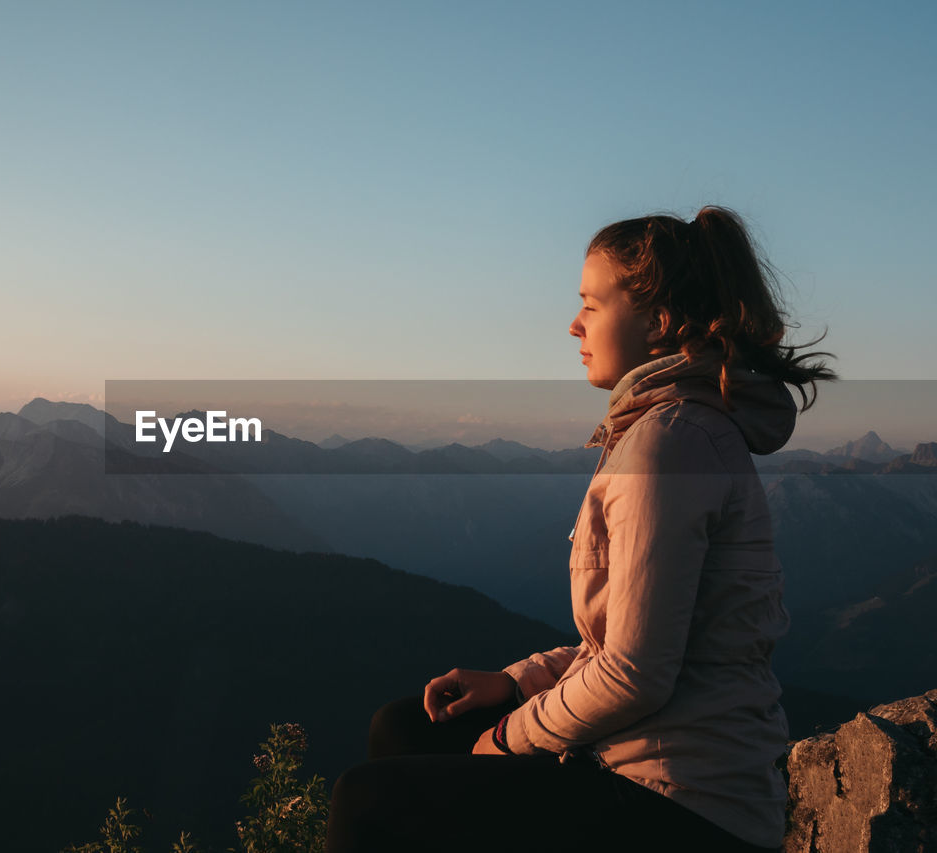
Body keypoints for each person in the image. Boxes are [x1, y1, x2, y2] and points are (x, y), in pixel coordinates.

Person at [323, 206, 836, 853]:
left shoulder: (670, 443)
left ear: (659, 320)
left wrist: (509, 736)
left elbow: (636, 673)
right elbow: (633, 644)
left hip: (686, 798)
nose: (573, 324)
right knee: (404, 728)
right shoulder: (662, 431)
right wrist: (515, 683)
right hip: (646, 759)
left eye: (591, 305)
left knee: (368, 802)